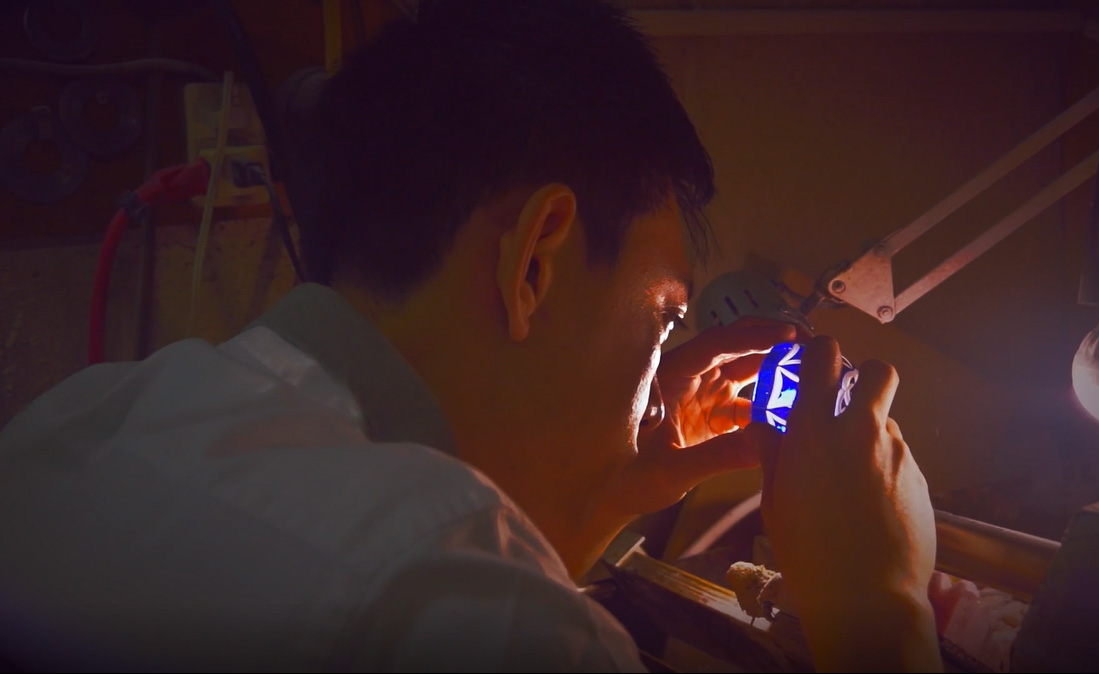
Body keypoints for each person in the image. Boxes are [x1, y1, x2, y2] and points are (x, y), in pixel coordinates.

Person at [0, 1, 941, 671]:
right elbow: (470, 584)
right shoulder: (468, 612)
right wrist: (876, 608)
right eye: (662, 319)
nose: (662, 366)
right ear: (533, 260)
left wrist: (601, 494)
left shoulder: (75, 425)